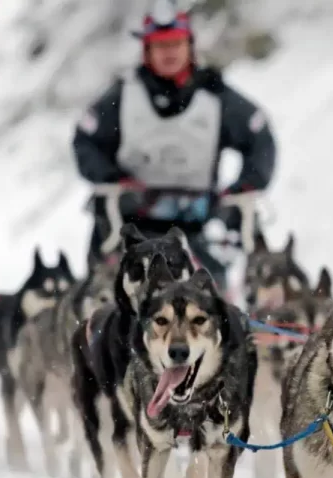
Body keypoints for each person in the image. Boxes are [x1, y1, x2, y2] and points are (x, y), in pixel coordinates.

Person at [73, 4, 276, 291]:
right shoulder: (122, 97)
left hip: (198, 228)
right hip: (131, 227)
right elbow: (86, 141)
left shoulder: (217, 98)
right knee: (109, 303)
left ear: (189, 46)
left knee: (209, 305)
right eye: (160, 46)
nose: (169, 53)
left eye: (176, 44)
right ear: (146, 50)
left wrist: (246, 185)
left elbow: (260, 138)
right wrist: (111, 179)